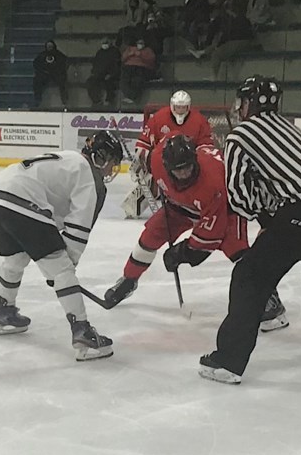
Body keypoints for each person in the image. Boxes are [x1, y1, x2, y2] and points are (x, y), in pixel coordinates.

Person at [198, 75, 301, 385]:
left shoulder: (240, 136)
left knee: (250, 276)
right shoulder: (293, 129)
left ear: (247, 105)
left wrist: (269, 218)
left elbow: (240, 197)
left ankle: (228, 361)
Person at [104, 134, 289, 335]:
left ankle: (270, 300)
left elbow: (211, 237)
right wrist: (143, 169)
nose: (184, 174)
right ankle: (129, 280)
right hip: (181, 207)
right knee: (149, 236)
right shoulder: (157, 159)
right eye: (178, 169)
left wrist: (181, 253)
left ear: (195, 160)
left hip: (226, 207)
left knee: (238, 252)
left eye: (188, 167)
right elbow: (147, 153)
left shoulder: (213, 183)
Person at [0, 131, 125, 361]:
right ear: (102, 158)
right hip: (24, 200)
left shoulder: (70, 160)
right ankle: (81, 330)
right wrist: (64, 269)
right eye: (113, 164)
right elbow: (78, 227)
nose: (112, 170)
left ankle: (5, 310)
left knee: (15, 259)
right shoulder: (89, 175)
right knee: (62, 268)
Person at [123, 90, 216, 219]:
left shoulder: (199, 121)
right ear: (172, 106)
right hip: (163, 163)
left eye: (183, 107)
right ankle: (133, 206)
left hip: (188, 167)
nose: (180, 110)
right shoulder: (159, 117)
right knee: (156, 181)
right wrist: (140, 162)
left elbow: (206, 147)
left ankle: (193, 207)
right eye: (178, 107)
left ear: (189, 107)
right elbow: (144, 143)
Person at [118, 38, 156, 104]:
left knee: (137, 80)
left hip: (141, 68)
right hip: (128, 67)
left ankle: (132, 97)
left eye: (141, 43)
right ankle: (128, 96)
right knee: (124, 81)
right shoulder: (130, 49)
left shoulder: (148, 50)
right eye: (139, 43)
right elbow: (123, 58)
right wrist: (129, 54)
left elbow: (151, 61)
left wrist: (141, 55)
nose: (140, 45)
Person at [32, 40, 69, 107]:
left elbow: (66, 63)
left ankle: (64, 100)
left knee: (63, 80)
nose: (50, 47)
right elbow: (36, 64)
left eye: (51, 46)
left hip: (56, 75)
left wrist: (59, 71)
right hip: (45, 76)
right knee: (37, 80)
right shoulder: (42, 55)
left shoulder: (59, 55)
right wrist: (42, 71)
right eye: (48, 46)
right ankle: (37, 100)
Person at [85, 37, 120, 106]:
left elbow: (117, 65)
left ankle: (109, 100)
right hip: (99, 74)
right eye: (103, 43)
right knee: (90, 82)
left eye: (106, 43)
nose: (105, 45)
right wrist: (94, 72)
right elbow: (95, 64)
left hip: (111, 75)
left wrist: (111, 74)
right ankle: (96, 101)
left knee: (109, 83)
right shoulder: (99, 52)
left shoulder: (115, 52)